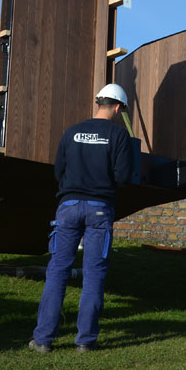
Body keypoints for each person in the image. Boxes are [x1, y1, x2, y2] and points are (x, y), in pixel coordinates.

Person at [29, 83, 134, 353]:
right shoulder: (119, 136)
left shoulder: (72, 132)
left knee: (57, 271)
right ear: (119, 107)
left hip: (68, 206)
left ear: (99, 103)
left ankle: (42, 340)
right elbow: (123, 177)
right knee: (94, 274)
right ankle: (85, 341)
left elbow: (58, 172)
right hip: (100, 209)